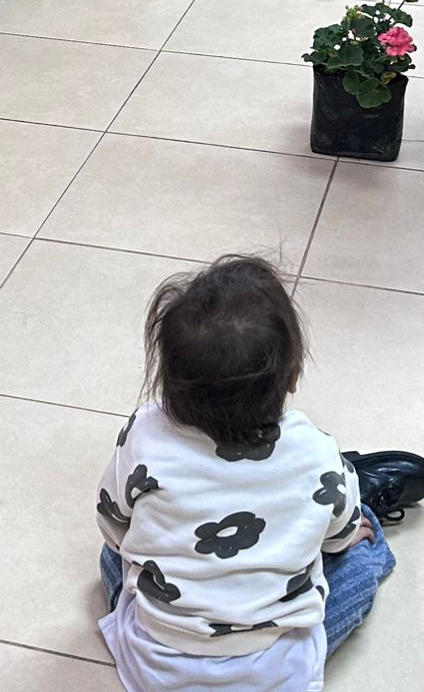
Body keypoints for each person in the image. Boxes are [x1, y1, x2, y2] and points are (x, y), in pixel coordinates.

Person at [97, 255, 397, 691]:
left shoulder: (144, 434)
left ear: (168, 382)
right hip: (275, 671)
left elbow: (112, 526)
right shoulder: (313, 450)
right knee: (362, 543)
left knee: (113, 558)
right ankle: (340, 493)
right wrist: (343, 536)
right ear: (293, 376)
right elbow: (337, 538)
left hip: (157, 668)